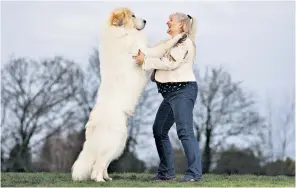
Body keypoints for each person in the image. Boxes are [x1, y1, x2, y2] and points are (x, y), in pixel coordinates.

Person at [133, 12, 203, 182]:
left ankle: (194, 174)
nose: (167, 22)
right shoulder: (168, 43)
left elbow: (170, 63)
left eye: (170, 20)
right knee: (159, 130)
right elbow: (155, 51)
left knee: (184, 131)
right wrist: (139, 53)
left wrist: (145, 62)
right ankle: (166, 173)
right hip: (170, 94)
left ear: (180, 24)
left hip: (183, 91)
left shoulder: (184, 43)